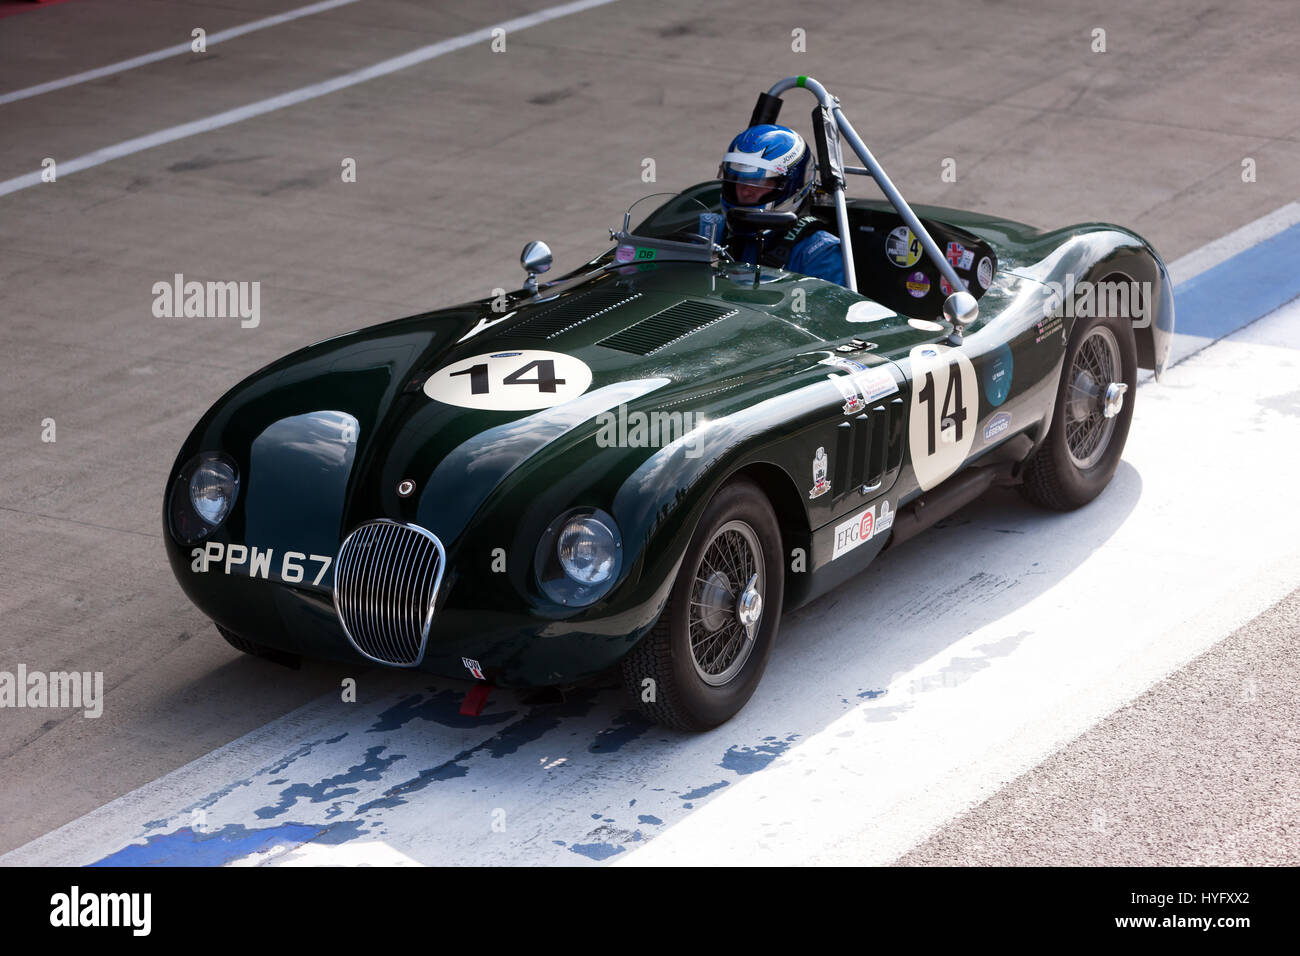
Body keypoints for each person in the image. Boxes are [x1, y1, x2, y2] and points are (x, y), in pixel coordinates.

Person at [716, 124, 846, 286]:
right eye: (739, 181)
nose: (745, 192)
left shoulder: (819, 254)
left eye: (758, 183)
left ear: (794, 187)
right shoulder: (712, 230)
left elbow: (828, 310)